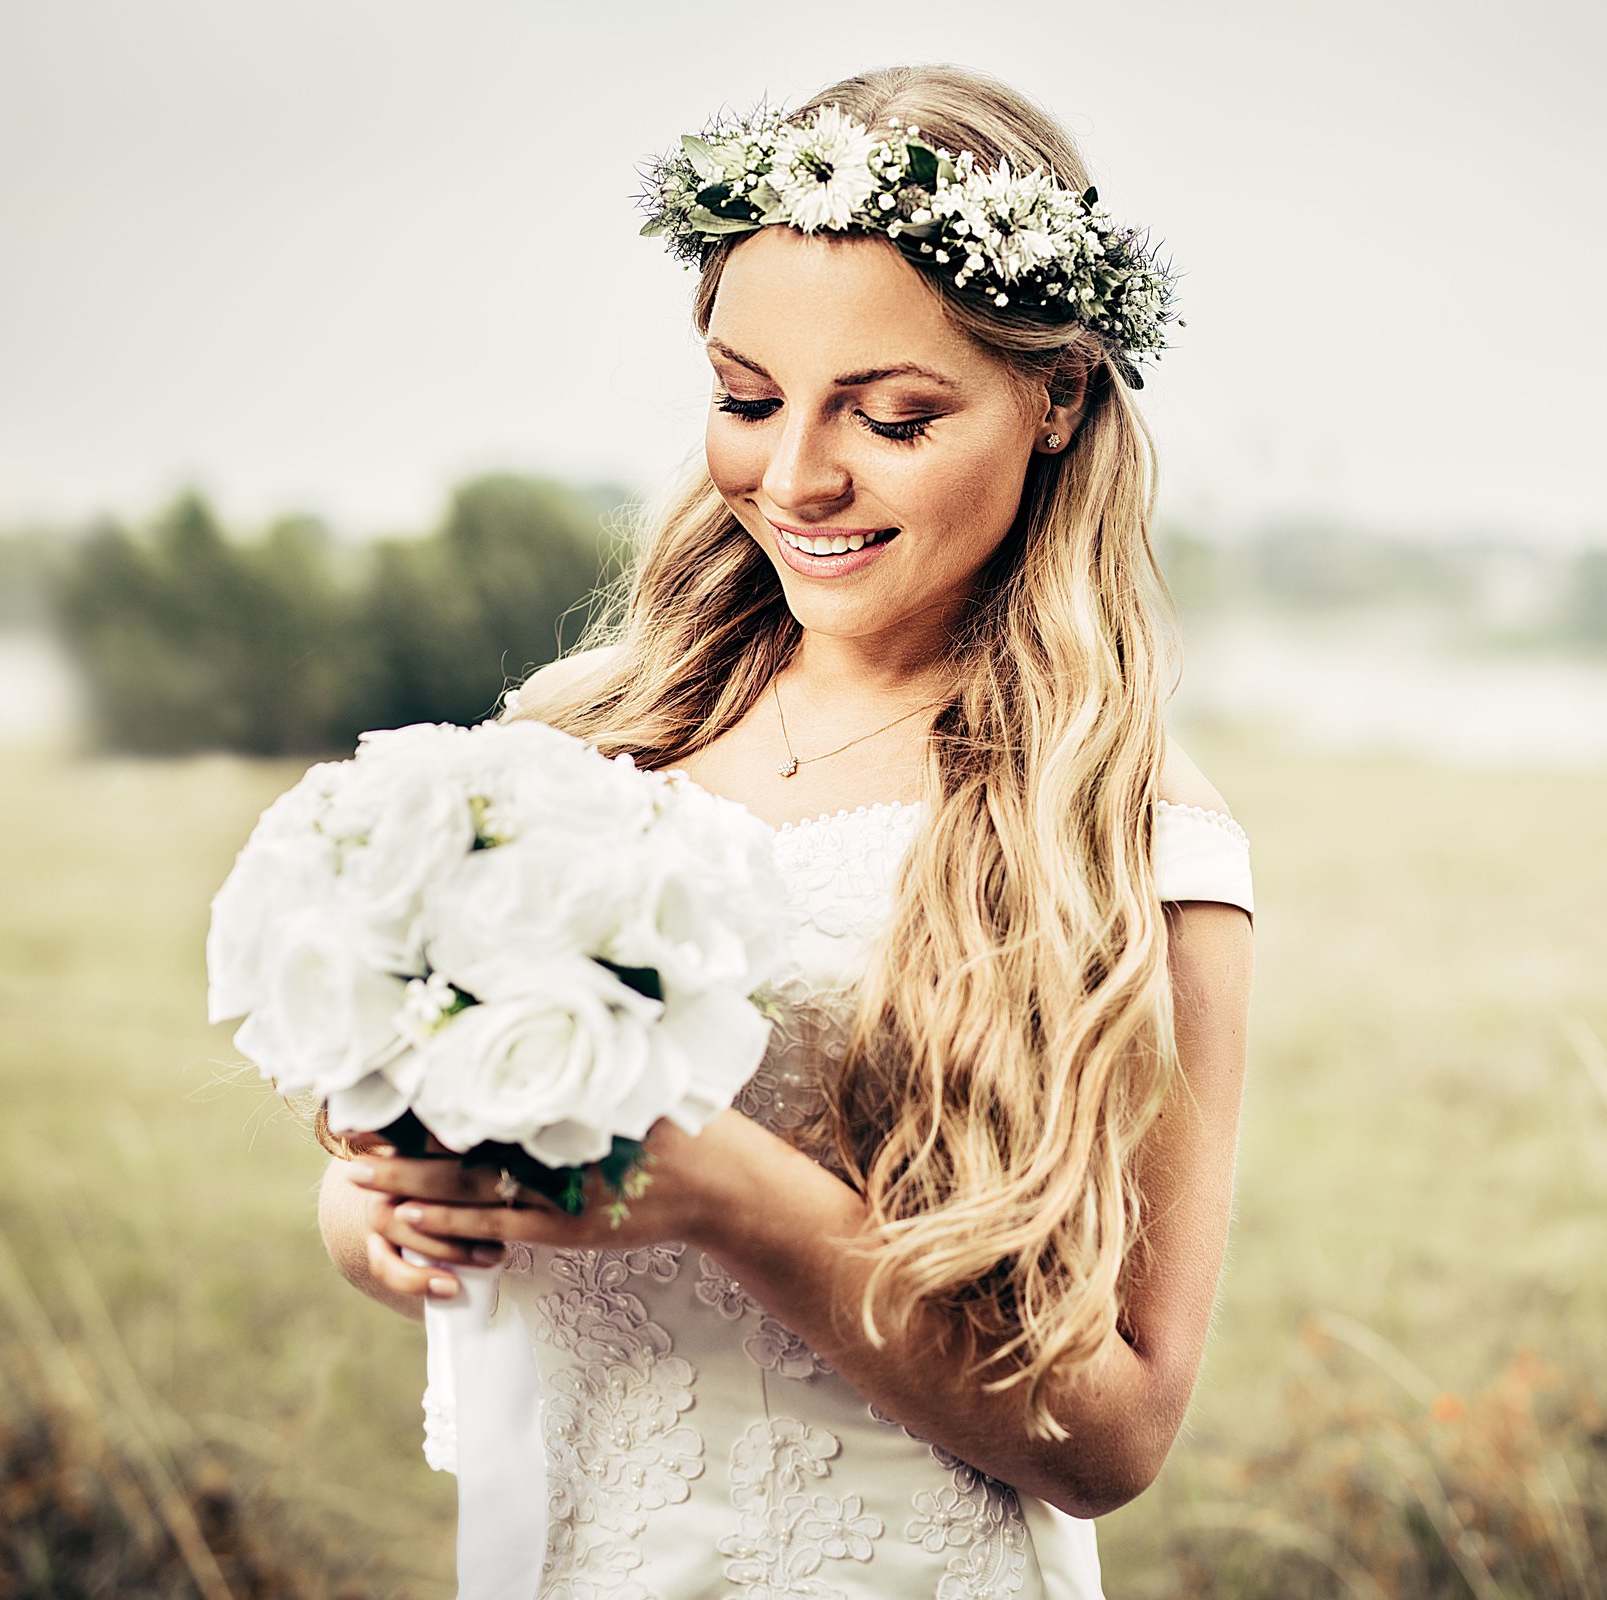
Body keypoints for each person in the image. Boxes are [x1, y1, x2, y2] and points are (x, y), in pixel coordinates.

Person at [315, 62, 1253, 1599]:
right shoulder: (582, 750)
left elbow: (1117, 1432)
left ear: (1058, 399)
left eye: (890, 416)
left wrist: (731, 1196)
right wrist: (395, 1210)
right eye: (747, 400)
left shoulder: (1128, 837)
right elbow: (376, 1204)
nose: (797, 474)